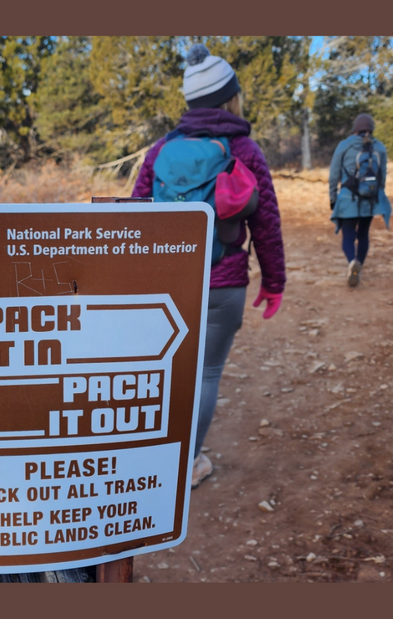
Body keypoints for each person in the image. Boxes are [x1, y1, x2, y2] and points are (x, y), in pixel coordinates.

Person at [132, 44, 286, 488]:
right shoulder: (243, 149)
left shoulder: (160, 150)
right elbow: (267, 222)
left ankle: (151, 458)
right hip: (225, 282)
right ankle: (187, 464)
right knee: (206, 374)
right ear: (230, 97)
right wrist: (273, 282)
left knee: (164, 374)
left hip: (168, 285)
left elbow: (135, 217)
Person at [328, 113, 392, 287]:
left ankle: (351, 263)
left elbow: (334, 175)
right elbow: (383, 176)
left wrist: (333, 198)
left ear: (355, 128)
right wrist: (378, 195)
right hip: (371, 200)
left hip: (348, 198)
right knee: (363, 234)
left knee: (348, 235)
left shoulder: (345, 145)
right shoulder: (380, 147)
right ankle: (359, 266)